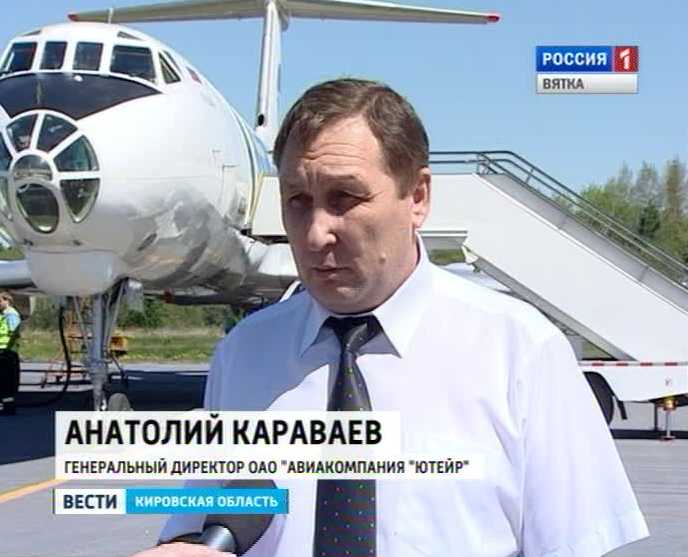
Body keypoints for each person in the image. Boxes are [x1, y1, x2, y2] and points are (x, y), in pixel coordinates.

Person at [135, 78, 648, 556]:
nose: (314, 234)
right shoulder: (244, 354)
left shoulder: (520, 351)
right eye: (298, 201)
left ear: (417, 197)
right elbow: (203, 523)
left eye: (345, 198)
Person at [0, 291, 21, 416]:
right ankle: (6, 406)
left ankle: (8, 408)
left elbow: (14, 332)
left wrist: (7, 349)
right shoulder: (3, 314)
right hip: (4, 351)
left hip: (6, 352)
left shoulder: (11, 314)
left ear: (6, 301)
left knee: (6, 381)